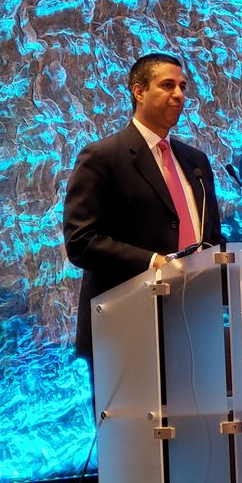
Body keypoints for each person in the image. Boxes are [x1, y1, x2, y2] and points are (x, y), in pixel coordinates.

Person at [63, 53, 223, 363]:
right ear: (139, 92)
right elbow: (81, 242)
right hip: (125, 325)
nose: (178, 94)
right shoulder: (103, 157)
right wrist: (154, 262)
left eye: (182, 86)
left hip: (193, 320)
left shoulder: (196, 162)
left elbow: (212, 237)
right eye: (167, 85)